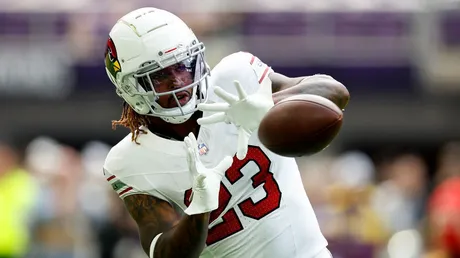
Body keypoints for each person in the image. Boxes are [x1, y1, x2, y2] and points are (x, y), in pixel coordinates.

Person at [102, 7, 349, 258]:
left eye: (182, 65)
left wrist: (271, 104)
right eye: (159, 75)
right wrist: (200, 208)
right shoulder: (129, 161)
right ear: (130, 87)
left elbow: (336, 92)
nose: (177, 81)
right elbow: (164, 252)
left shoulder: (236, 77)